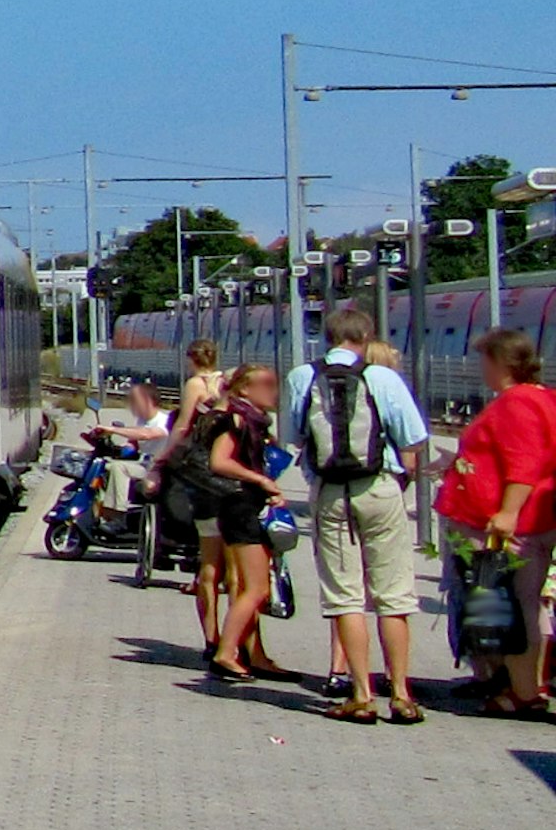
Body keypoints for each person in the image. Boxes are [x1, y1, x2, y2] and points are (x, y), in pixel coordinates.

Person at [282, 308, 429, 723]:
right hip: (379, 487)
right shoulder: (382, 378)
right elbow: (413, 438)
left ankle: (361, 695)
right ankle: (401, 694)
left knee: (345, 596)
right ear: (365, 335)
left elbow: (294, 435)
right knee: (393, 594)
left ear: (327, 337)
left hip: (329, 493)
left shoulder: (302, 376)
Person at [447, 330, 556, 715]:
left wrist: (508, 512)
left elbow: (524, 463)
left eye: (484, 361)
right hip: (525, 521)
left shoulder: (517, 403)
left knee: (508, 607)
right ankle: (516, 683)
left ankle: (523, 692)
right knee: (517, 605)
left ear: (500, 363)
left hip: (507, 526)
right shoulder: (540, 397)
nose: (481, 369)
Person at [177, 361, 291, 683]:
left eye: (273, 383)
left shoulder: (249, 419)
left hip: (240, 505)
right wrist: (260, 480)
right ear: (244, 389)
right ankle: (226, 653)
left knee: (253, 587)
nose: (273, 390)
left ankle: (247, 653)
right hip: (237, 507)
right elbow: (219, 462)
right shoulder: (235, 420)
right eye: (265, 384)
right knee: (254, 588)